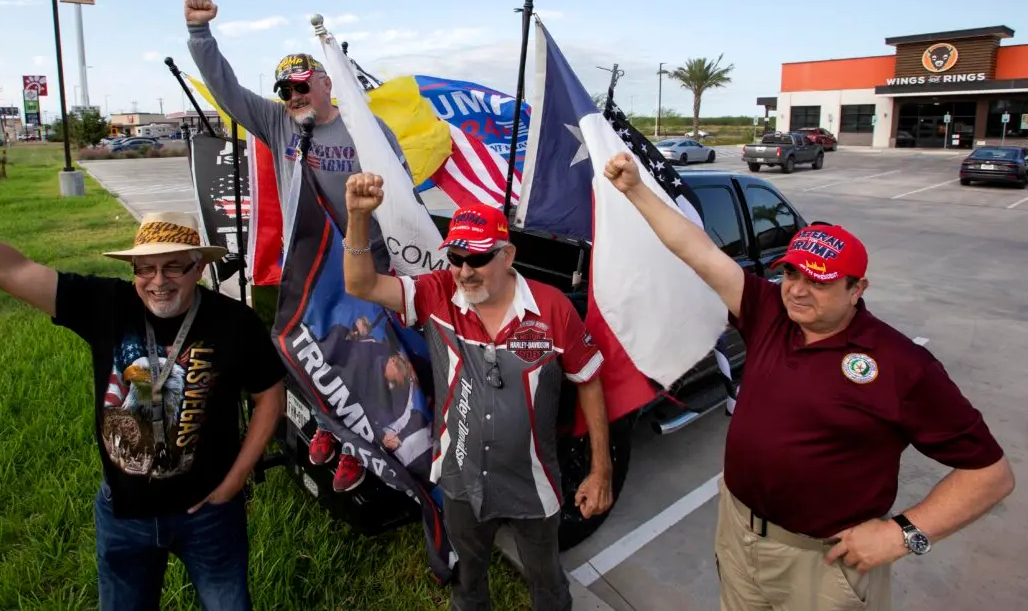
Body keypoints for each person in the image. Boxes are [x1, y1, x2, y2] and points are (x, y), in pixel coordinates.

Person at [0, 159, 286, 611]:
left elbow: (269, 395)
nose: (158, 282)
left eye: (174, 267)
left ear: (198, 267)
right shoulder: (107, 305)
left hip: (208, 515)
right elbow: (5, 269)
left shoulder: (233, 321)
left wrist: (235, 481)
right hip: (123, 515)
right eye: (145, 269)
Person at [602, 151, 1014, 611]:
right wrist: (635, 189)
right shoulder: (769, 312)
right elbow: (697, 251)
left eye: (818, 282)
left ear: (857, 290)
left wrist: (905, 535)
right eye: (792, 273)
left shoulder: (902, 365)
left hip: (824, 566)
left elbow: (991, 475)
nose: (797, 289)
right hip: (740, 536)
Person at [340, 172, 613, 611]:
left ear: (508, 255)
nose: (464, 270)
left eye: (478, 258)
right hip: (461, 481)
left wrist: (601, 470)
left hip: (534, 482)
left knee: (548, 585)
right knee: (467, 585)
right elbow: (361, 284)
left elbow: (590, 380)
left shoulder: (553, 307)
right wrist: (356, 217)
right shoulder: (437, 293)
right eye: (456, 257)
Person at [186, 0, 409, 493]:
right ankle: (329, 429)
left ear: (327, 84)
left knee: (362, 357)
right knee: (311, 355)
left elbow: (401, 199)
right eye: (284, 89)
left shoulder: (367, 132)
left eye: (302, 86)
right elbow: (226, 89)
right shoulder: (279, 122)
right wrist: (200, 35)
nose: (293, 96)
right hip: (305, 266)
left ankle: (360, 447)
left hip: (360, 263)